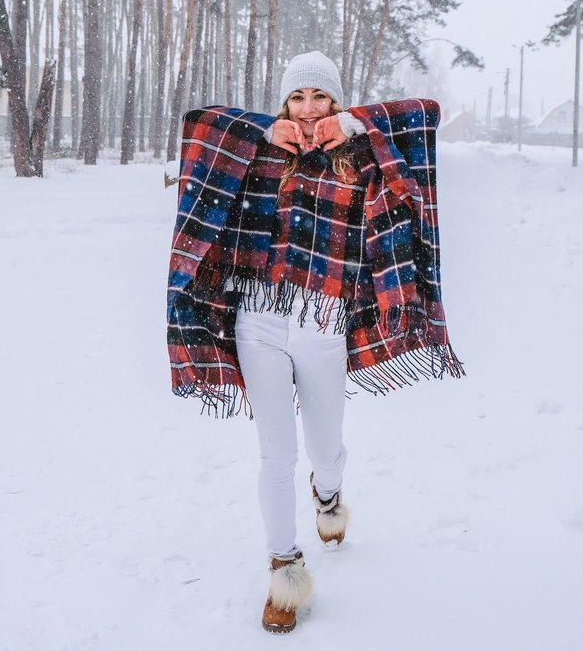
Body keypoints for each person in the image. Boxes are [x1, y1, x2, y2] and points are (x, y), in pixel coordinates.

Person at [167, 50, 464, 634]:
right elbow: (199, 123)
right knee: (275, 455)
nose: (307, 110)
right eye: (297, 98)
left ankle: (327, 494)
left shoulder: (357, 148)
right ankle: (283, 569)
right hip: (259, 316)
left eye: (319, 97)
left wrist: (355, 125)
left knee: (325, 448)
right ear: (283, 102)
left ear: (335, 99)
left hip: (325, 318)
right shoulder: (256, 145)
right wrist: (263, 127)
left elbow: (423, 112)